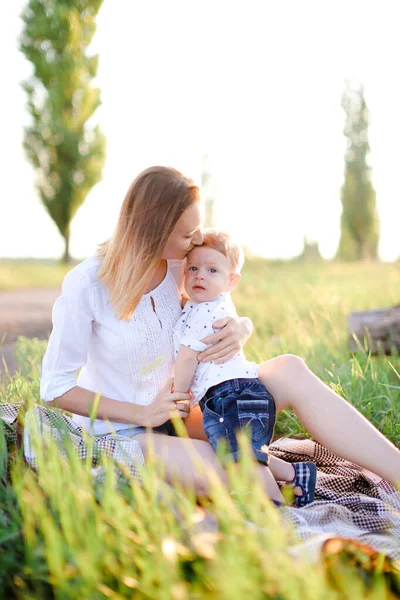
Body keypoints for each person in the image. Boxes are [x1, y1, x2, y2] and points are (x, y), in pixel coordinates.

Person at [40, 166, 400, 502]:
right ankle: (281, 491)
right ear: (152, 232)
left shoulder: (177, 265)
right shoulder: (87, 284)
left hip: (185, 411)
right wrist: (142, 414)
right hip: (125, 431)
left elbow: (213, 302)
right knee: (238, 475)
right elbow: (55, 388)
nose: (197, 239)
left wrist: (243, 327)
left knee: (289, 368)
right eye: (186, 234)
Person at [173, 230, 316, 506]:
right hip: (241, 391)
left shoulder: (203, 312)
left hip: (229, 396)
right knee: (241, 450)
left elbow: (187, 358)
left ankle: (275, 512)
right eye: (193, 268)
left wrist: (180, 398)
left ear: (231, 281)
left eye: (212, 270)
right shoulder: (210, 303)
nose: (200, 275)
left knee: (245, 460)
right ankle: (296, 475)